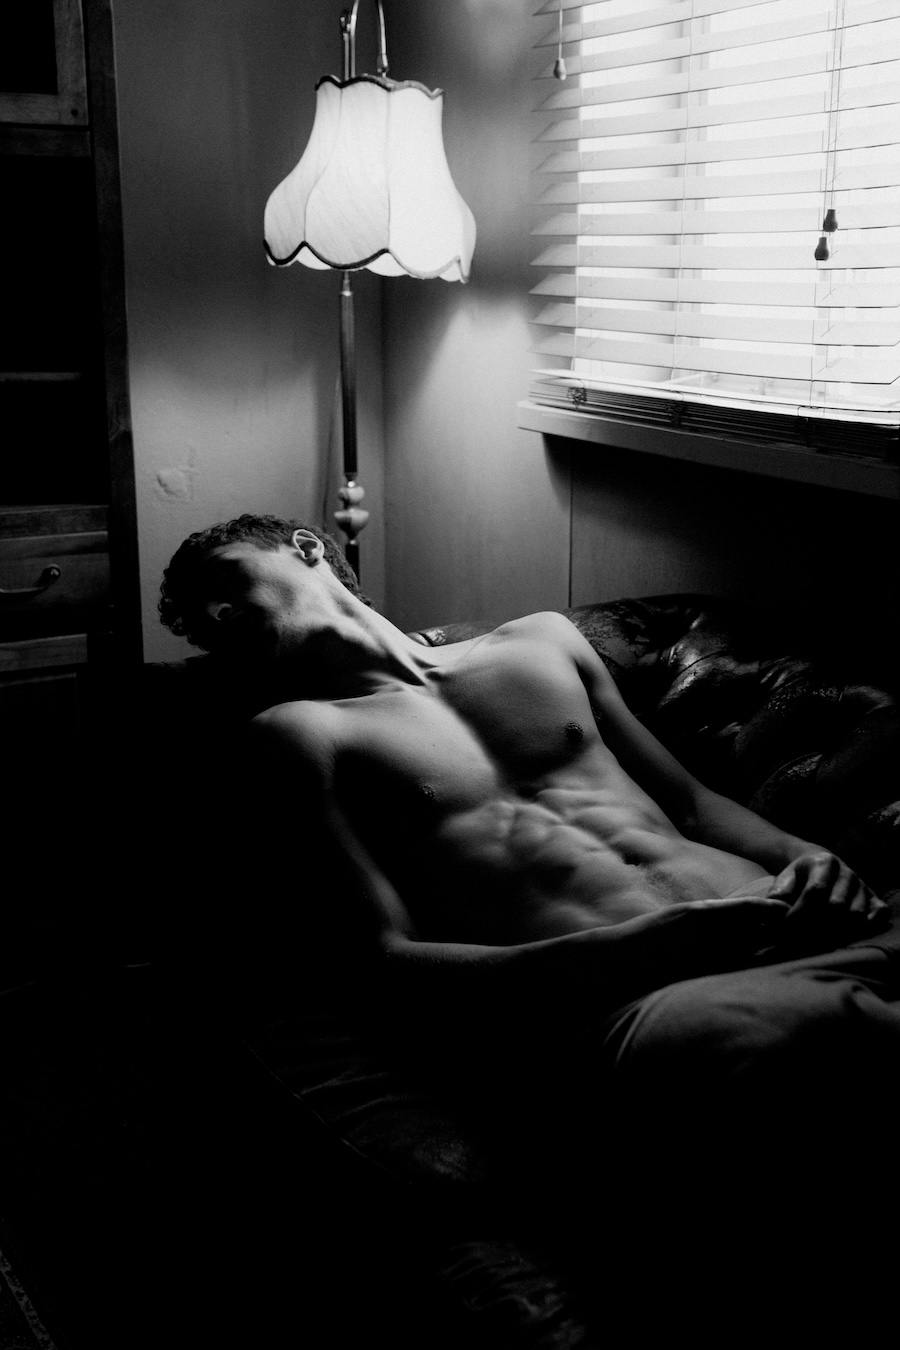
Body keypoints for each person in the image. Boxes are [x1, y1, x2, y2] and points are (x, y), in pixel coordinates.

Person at [161, 513, 900, 1332]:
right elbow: (383, 962)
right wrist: (643, 946)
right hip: (652, 1000)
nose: (213, 619)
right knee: (796, 1052)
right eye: (197, 624)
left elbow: (691, 804)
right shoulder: (298, 736)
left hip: (807, 917)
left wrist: (811, 857)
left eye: (222, 584)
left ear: (306, 548)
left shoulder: (541, 642)